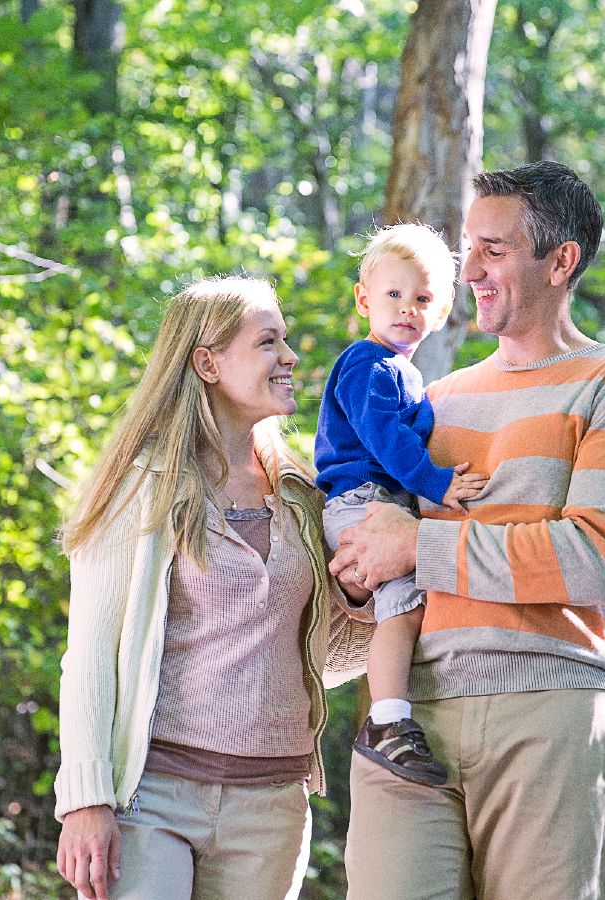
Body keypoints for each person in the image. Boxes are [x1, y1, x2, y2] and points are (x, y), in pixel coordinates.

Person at [330, 161, 605, 900]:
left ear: (562, 261)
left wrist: (414, 545)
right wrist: (360, 567)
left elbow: (593, 560)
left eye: (496, 249)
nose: (472, 270)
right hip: (407, 722)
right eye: (471, 247)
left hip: (551, 712)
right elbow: (377, 550)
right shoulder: (435, 400)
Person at [54, 276, 373, 900]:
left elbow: (318, 660)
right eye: (268, 342)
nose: (290, 357)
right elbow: (91, 651)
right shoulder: (141, 487)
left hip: (275, 804)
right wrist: (85, 799)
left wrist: (357, 604)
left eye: (285, 341)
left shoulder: (302, 496)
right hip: (153, 795)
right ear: (207, 362)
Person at [315, 223, 488, 787]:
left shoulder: (406, 372)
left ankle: (393, 711)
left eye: (422, 299)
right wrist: (437, 485)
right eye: (392, 294)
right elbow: (387, 440)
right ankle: (388, 719)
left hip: (379, 504)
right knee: (405, 598)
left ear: (440, 313)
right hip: (360, 502)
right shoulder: (370, 366)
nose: (407, 309)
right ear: (364, 298)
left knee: (409, 599)